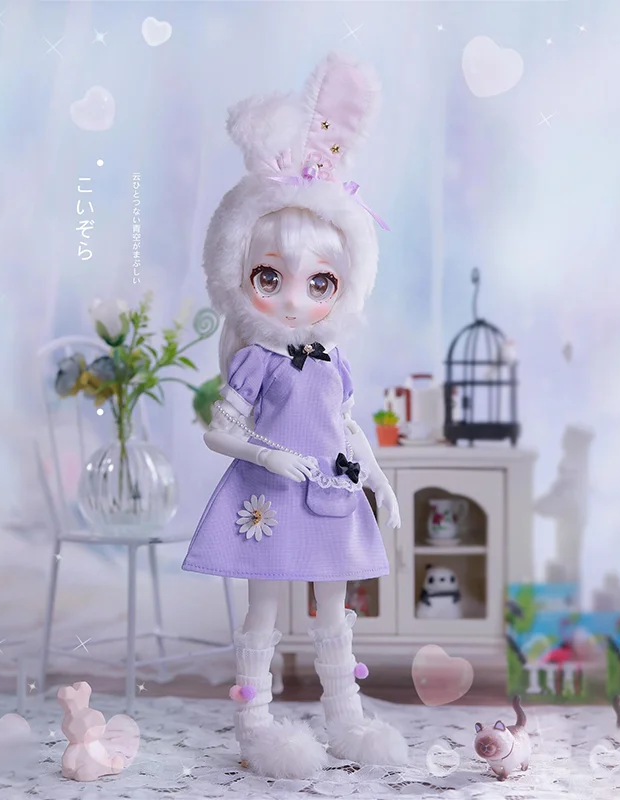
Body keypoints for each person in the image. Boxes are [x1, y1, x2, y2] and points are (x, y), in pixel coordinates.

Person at [182, 52, 407, 779]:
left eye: (319, 283)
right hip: (270, 499)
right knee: (265, 614)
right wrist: (267, 455)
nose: (293, 298)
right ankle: (256, 723)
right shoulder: (258, 359)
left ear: (344, 287)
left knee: (334, 614)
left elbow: (345, 425)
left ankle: (347, 719)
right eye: (270, 277)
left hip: (332, 495)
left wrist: (377, 478)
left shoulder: (332, 360)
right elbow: (220, 430)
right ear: (239, 275)